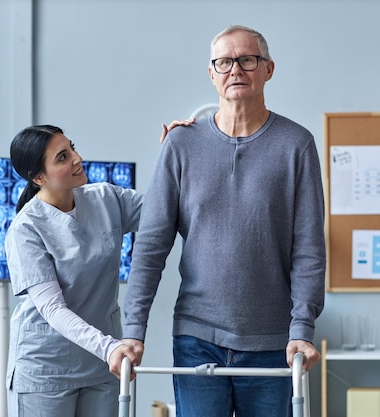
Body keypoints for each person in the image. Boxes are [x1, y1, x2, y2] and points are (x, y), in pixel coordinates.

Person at [118, 25, 326, 417]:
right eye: (224, 62)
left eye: (248, 59)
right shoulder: (181, 145)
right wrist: (133, 331)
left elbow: (310, 248)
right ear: (211, 73)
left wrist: (302, 329)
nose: (236, 70)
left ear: (268, 69)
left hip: (271, 341)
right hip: (197, 337)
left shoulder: (297, 145)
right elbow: (150, 245)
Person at [4, 120, 191, 417]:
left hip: (104, 364)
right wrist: (109, 348)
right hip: (47, 368)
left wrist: (175, 152)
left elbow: (166, 210)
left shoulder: (106, 199)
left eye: (72, 148)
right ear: (39, 177)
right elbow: (52, 309)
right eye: (62, 157)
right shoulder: (26, 229)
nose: (77, 158)